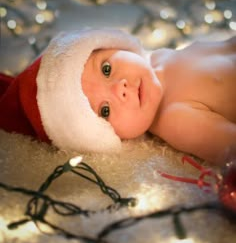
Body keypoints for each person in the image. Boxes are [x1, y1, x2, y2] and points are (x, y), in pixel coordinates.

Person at [0, 28, 235, 165]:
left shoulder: (160, 58)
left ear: (110, 45)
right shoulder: (174, 118)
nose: (119, 89)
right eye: (105, 110)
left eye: (106, 70)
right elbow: (230, 147)